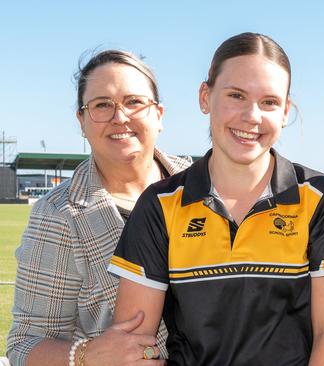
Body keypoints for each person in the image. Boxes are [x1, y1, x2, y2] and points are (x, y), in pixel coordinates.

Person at [107, 32, 324, 365]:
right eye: (236, 95)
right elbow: (133, 345)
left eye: (269, 102)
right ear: (205, 97)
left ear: (285, 111)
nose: (252, 116)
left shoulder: (318, 195)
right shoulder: (161, 203)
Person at [7, 50, 192, 366]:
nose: (120, 117)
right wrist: (87, 355)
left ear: (159, 114)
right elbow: (24, 345)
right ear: (81, 120)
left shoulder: (202, 187)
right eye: (102, 105)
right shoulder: (58, 214)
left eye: (134, 102)